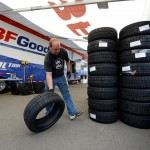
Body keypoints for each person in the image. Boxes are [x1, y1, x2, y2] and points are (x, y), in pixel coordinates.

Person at [44, 38, 83, 120]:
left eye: (58, 48)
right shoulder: (48, 58)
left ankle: (72, 113)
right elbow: (48, 75)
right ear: (50, 47)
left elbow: (68, 61)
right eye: (55, 49)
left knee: (66, 95)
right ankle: (49, 114)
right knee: (48, 96)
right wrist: (51, 89)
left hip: (61, 77)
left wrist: (68, 71)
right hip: (52, 78)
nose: (57, 51)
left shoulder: (63, 51)